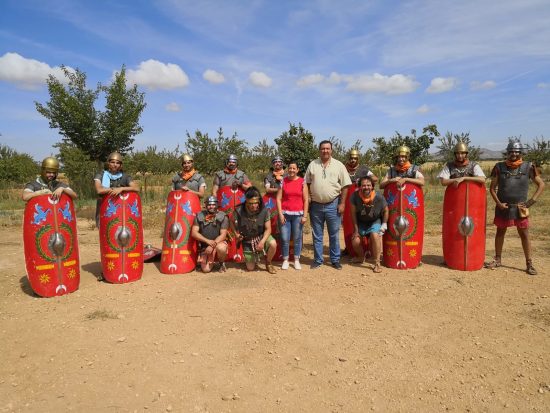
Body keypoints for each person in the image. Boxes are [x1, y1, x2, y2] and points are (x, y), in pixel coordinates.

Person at [486, 140, 545, 275]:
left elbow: (541, 185)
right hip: (503, 207)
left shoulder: (528, 167)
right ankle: (498, 259)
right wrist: (499, 204)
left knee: (524, 233)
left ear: (520, 152)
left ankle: (529, 263)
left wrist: (531, 201)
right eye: (511, 151)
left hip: (521, 208)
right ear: (507, 152)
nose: (513, 153)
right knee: (500, 232)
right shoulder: (499, 167)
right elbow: (492, 188)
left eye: (516, 151)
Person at [305, 140, 352, 269]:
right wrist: (308, 197)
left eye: (327, 148)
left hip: (333, 204)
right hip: (316, 206)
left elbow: (346, 185)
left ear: (331, 150)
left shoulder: (339, 165)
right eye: (323, 149)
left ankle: (335, 260)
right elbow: (307, 183)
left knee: (334, 234)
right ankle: (318, 260)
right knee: (317, 234)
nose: (325, 151)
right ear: (319, 150)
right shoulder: (312, 164)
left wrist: (342, 203)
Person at [233, 187, 277, 274]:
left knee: (273, 243)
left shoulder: (264, 211)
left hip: (260, 236)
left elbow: (268, 229)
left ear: (259, 201)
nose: (254, 205)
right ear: (246, 202)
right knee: (250, 268)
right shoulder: (239, 210)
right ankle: (251, 258)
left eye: (256, 203)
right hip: (247, 240)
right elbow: (231, 221)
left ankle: (268, 262)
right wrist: (236, 233)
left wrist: (262, 242)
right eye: (251, 203)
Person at [349, 176, 388, 273]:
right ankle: (361, 257)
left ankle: (377, 262)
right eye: (363, 185)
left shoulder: (379, 197)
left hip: (375, 221)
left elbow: (386, 210)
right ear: (360, 187)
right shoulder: (354, 196)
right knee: (355, 240)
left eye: (368, 185)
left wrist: (384, 224)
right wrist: (356, 230)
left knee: (375, 235)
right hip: (361, 222)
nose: (366, 187)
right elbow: (353, 213)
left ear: (372, 186)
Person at [276, 161, 309, 270]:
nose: (291, 170)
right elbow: (278, 199)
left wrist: (305, 215)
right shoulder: (283, 181)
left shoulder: (302, 182)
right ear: (287, 169)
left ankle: (296, 260)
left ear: (297, 170)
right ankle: (285, 259)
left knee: (297, 238)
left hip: (298, 215)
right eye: (290, 168)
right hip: (285, 214)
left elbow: (305, 200)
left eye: (294, 168)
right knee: (285, 238)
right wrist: (280, 214)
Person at [93, 152, 139, 227]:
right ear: (108, 163)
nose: (115, 165)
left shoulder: (125, 176)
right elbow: (99, 190)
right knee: (105, 233)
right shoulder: (100, 175)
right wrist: (113, 189)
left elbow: (136, 188)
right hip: (104, 208)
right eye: (112, 162)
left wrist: (121, 189)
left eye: (117, 163)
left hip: (120, 210)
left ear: (120, 165)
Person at [191, 196, 229, 273]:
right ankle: (206, 257)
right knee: (206, 270)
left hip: (218, 243)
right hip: (205, 245)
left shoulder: (223, 216)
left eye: (213, 204)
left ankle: (221, 263)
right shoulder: (199, 215)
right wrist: (207, 241)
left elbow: (223, 235)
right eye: (209, 204)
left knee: (221, 248)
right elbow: (194, 233)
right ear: (206, 205)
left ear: (217, 205)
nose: (211, 206)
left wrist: (212, 245)